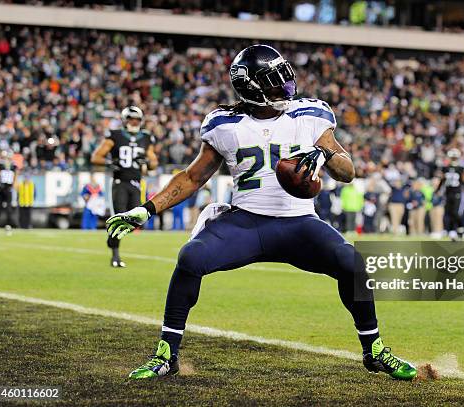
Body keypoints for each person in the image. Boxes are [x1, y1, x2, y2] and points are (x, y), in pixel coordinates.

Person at [106, 45, 416, 381]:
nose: (285, 86)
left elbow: (348, 170)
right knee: (191, 258)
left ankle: (374, 350)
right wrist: (146, 208)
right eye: (273, 80)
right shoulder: (225, 123)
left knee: (352, 264)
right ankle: (167, 354)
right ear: (250, 87)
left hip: (300, 223)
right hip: (247, 222)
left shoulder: (310, 115)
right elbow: (193, 177)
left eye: (285, 76)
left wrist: (324, 154)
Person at [91, 106, 158, 267]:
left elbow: (154, 163)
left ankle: (111, 239)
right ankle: (115, 256)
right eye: (131, 119)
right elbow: (96, 157)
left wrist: (148, 163)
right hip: (120, 182)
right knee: (119, 217)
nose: (134, 122)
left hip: (136, 183)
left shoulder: (146, 137)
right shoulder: (115, 136)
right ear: (125, 120)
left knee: (134, 219)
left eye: (137, 119)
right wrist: (110, 162)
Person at [434, 149, 464, 241]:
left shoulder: (461, 168)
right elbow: (442, 180)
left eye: (455, 157)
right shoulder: (445, 168)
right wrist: (438, 190)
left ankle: (461, 230)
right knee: (448, 213)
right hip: (448, 193)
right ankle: (452, 232)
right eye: (452, 157)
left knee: (456, 213)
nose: (453, 159)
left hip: (458, 193)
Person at [0, 150, 18, 234]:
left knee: (9, 209)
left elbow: (15, 179)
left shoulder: (13, 166)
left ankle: (8, 227)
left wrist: (14, 186)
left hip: (9, 190)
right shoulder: (0, 165)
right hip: (1, 189)